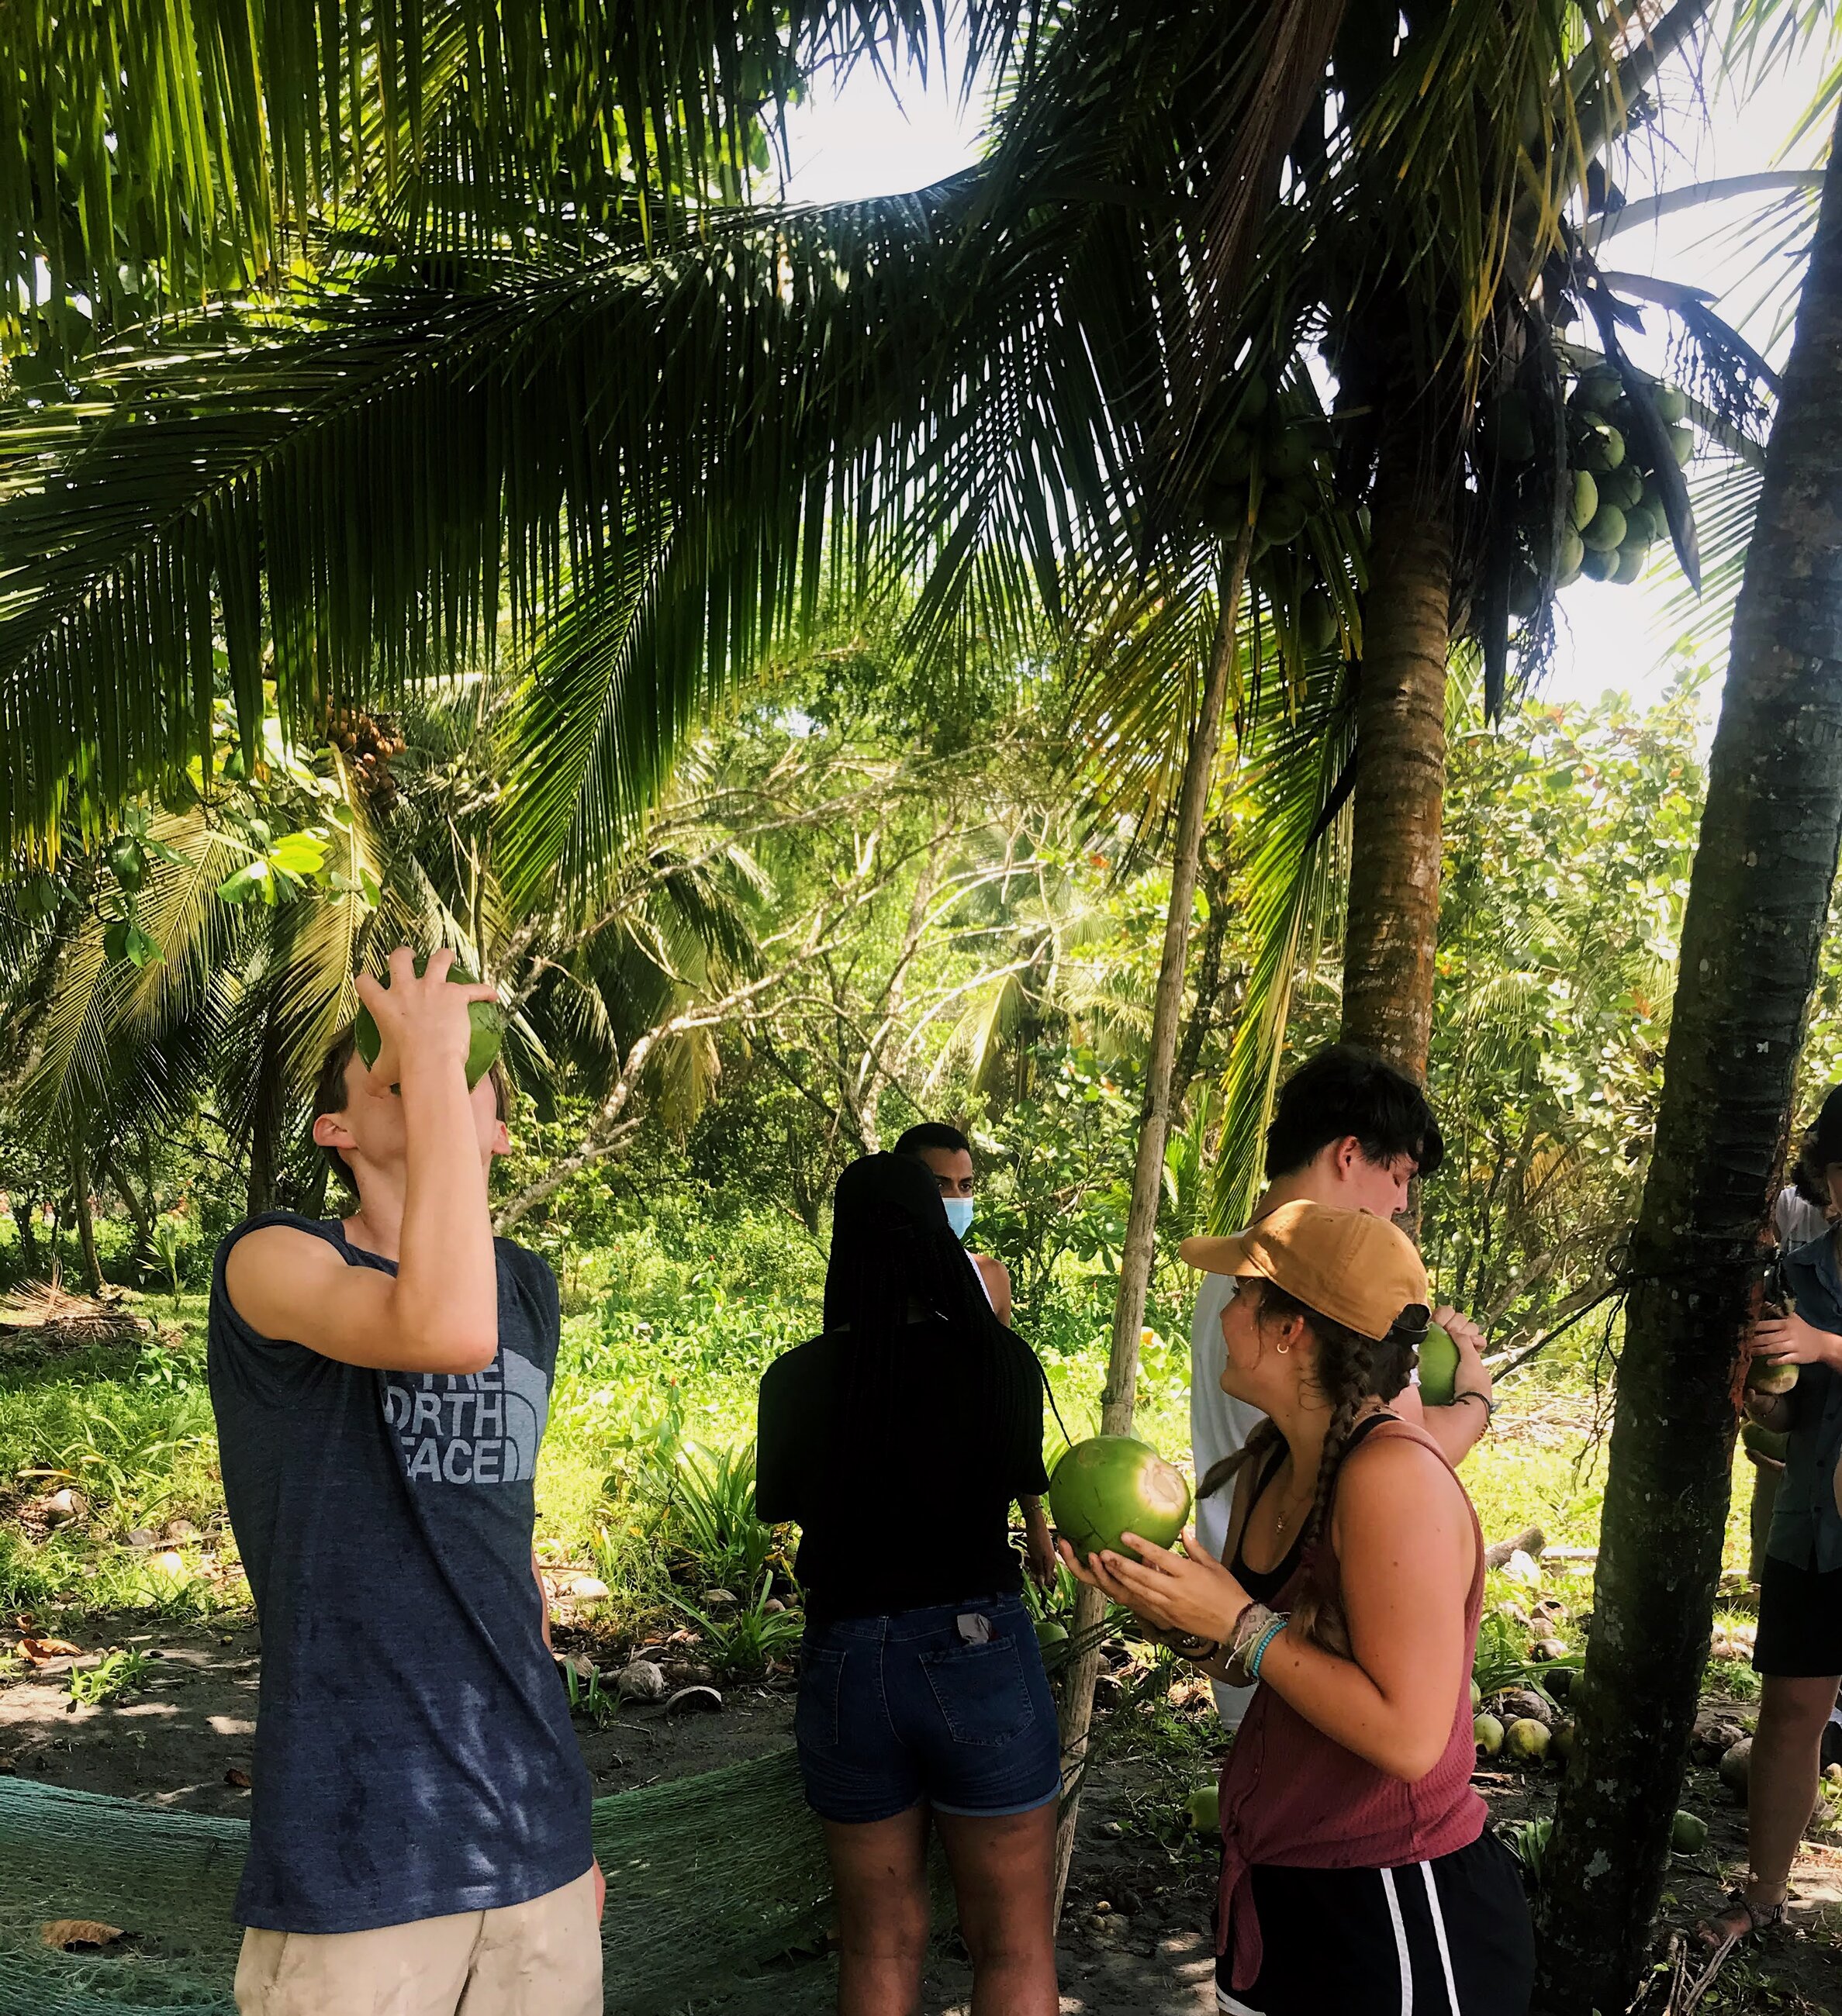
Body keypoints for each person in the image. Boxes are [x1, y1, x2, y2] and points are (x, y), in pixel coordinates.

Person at [207, 950, 601, 2016]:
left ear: (500, 1131)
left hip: (529, 1828)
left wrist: (569, 1829)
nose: (424, 1075)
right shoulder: (272, 1260)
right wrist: (435, 1071)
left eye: (454, 1074)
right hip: (361, 1837)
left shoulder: (524, 1284)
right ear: (335, 1130)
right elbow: (439, 1329)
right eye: (389, 1074)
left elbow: (499, 1550)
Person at [1065, 1201, 1533, 2016]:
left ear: (1291, 1330)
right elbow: (1275, 1667)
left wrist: (1240, 1622)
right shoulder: (1271, 1460)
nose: (1225, 1310)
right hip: (1283, 1878)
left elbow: (1410, 1736)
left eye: (1244, 1293)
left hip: (1392, 1902)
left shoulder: (1390, 1479)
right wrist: (1174, 1614)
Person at [756, 1154, 1060, 2016]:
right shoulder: (1002, 1361)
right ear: (936, 1232)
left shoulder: (794, 1376)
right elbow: (1022, 1477)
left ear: (842, 1246)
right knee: (1011, 1944)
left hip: (847, 1660)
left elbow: (777, 1504)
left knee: (876, 1941)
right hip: (980, 1649)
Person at [1191, 1045, 1493, 1724]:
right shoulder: (1294, 1290)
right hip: (1299, 1631)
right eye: (1400, 1174)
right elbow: (1416, 1448)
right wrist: (1475, 1396)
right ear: (1349, 1154)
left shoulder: (1235, 1274)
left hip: (1264, 1614)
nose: (1401, 1201)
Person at [1700, 1084, 1842, 1957]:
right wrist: (1764, 1394)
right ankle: (1762, 1896)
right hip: (1812, 1522)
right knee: (1791, 1707)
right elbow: (1789, 1416)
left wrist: (1824, 1345)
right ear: (1831, 1180)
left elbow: (1825, 1356)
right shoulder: (1799, 1272)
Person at [893, 1120, 1012, 1322]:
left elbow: (1001, 1353)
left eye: (965, 1186)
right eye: (939, 1185)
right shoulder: (875, 1279)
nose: (956, 1198)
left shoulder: (992, 1277)